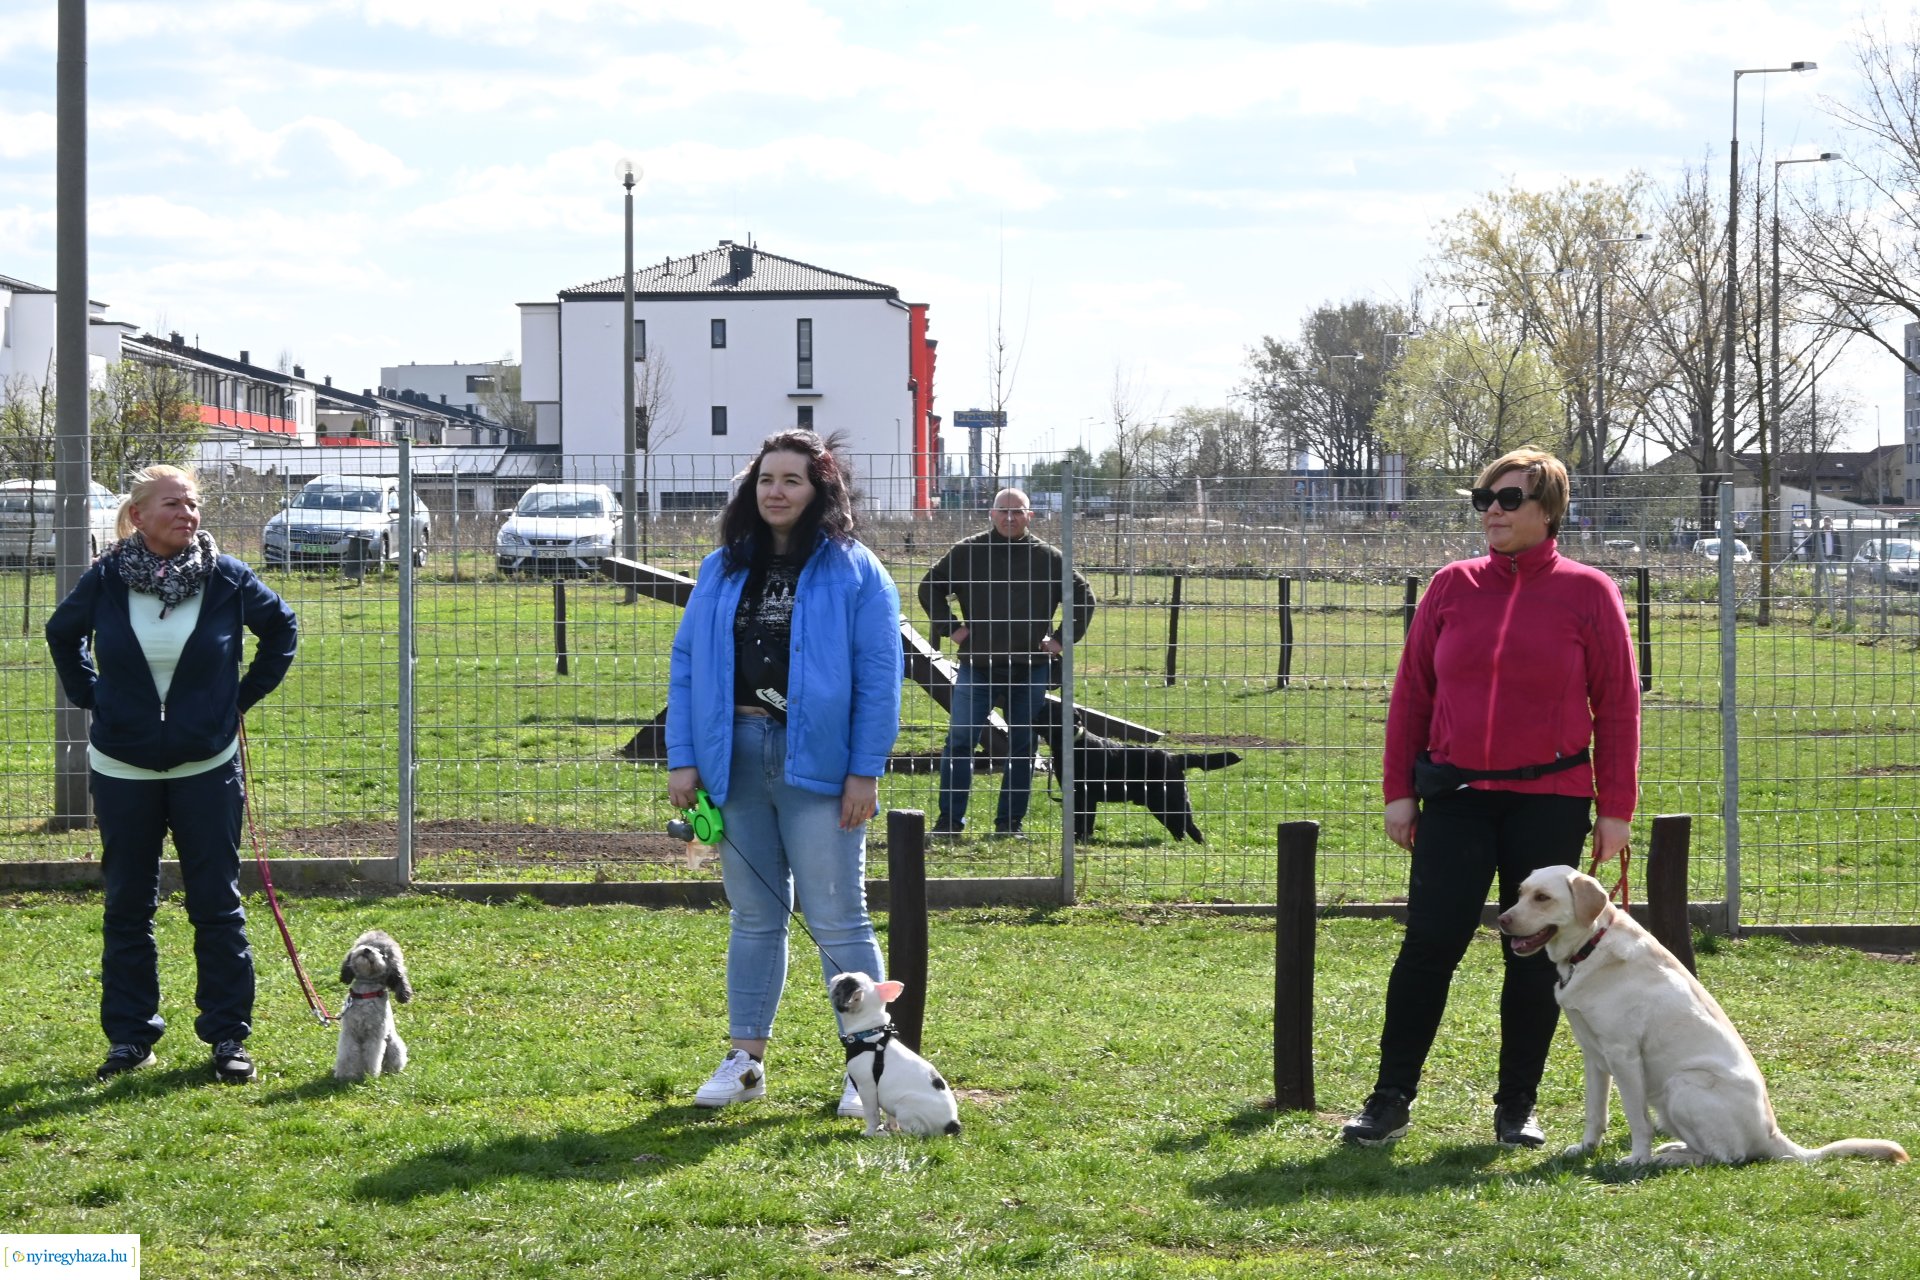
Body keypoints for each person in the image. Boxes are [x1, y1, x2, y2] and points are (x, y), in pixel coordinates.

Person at [1342, 449, 1640, 1149]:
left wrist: (1615, 809)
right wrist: (1399, 793)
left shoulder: (1590, 592)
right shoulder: (1451, 587)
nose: (1493, 511)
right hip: (1458, 798)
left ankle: (1517, 1108)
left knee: (1532, 955)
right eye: (1484, 499)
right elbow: (1412, 694)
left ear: (1549, 510)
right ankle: (1388, 1101)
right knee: (1429, 945)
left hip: (1551, 799)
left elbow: (1619, 706)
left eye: (1509, 499)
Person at [667, 430, 903, 1117]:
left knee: (839, 918)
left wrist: (865, 771)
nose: (776, 491)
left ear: (819, 490)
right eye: (765, 478)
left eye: (792, 480)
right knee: (754, 916)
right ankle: (746, 1063)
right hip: (734, 757)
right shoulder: (721, 569)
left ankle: (869, 1068)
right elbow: (686, 668)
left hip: (823, 769)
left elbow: (879, 679)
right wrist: (684, 758)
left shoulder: (857, 571)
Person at [46, 465, 298, 1083]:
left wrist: (234, 701)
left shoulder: (227, 578)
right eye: (172, 504)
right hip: (123, 767)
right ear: (138, 516)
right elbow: (62, 633)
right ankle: (131, 1039)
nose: (187, 514)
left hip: (206, 767)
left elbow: (282, 631)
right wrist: (94, 698)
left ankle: (227, 1039)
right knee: (128, 905)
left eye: (192, 504)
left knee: (217, 905)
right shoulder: (106, 580)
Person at [918, 488, 1095, 836]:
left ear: (1031, 516)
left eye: (1018, 512)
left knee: (1022, 746)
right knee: (960, 742)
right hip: (978, 665)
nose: (1010, 517)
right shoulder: (968, 551)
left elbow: (1084, 597)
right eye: (1004, 511)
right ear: (991, 513)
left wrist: (1059, 640)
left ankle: (1009, 824)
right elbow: (930, 587)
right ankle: (949, 823)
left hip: (1030, 667)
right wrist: (952, 628)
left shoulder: (1049, 557)